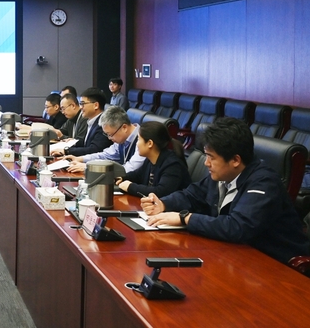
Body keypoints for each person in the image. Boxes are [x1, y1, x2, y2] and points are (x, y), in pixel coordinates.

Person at [142, 117, 310, 264]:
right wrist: (163, 204)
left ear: (235, 160)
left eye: (211, 157)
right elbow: (191, 194)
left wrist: (185, 218)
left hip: (277, 263)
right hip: (236, 255)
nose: (206, 163)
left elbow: (237, 226)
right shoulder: (223, 175)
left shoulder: (264, 182)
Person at [116, 121, 190, 198]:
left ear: (150, 143)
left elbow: (160, 192)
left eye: (138, 139)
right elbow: (137, 175)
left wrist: (130, 187)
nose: (137, 144)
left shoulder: (173, 165)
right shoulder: (150, 159)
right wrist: (122, 177)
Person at [64, 106, 143, 174]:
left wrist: (89, 167)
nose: (109, 138)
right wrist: (81, 159)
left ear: (124, 128)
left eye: (110, 134)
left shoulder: (143, 140)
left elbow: (130, 168)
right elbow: (105, 156)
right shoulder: (122, 140)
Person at [59, 87, 110, 157]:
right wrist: (74, 142)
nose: (80, 107)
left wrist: (67, 151)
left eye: (83, 104)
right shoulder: (92, 121)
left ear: (96, 105)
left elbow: (94, 149)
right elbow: (87, 143)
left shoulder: (103, 124)